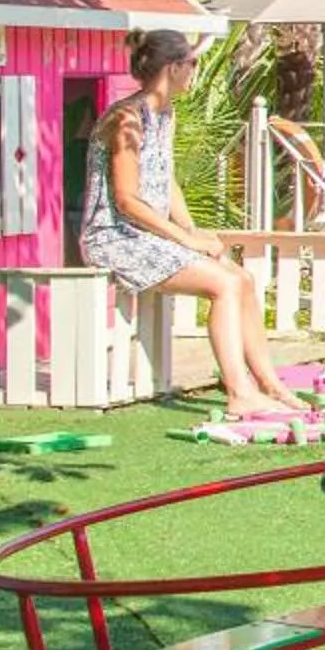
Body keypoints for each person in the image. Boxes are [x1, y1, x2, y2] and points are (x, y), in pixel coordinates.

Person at [80, 31, 307, 419]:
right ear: (173, 68)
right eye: (192, 63)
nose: (194, 71)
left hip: (146, 235)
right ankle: (239, 393)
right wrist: (185, 240)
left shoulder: (164, 115)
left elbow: (165, 180)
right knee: (224, 285)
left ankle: (270, 385)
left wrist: (192, 229)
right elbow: (127, 199)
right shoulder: (126, 119)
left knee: (242, 280)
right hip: (115, 237)